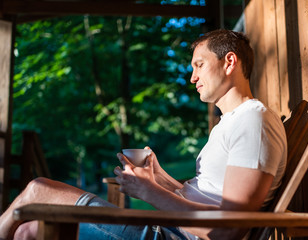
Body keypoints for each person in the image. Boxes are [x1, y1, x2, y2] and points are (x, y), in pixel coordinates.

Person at [0, 29, 287, 240]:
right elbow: (210, 198)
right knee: (27, 227)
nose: (192, 78)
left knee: (37, 192)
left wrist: (149, 192)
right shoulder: (232, 122)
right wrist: (159, 178)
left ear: (229, 62)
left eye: (199, 65)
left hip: (171, 235)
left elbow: (230, 227)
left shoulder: (253, 121)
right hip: (171, 228)